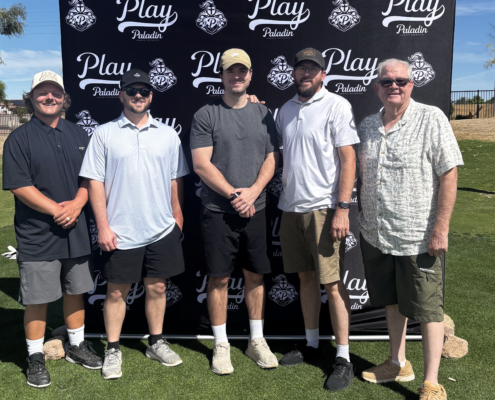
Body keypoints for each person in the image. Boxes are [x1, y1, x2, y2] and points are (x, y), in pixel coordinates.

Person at [357, 59, 463, 400]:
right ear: (377, 87)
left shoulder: (431, 118)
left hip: (417, 235)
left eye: (401, 80)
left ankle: (431, 382)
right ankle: (398, 363)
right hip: (376, 233)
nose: (394, 86)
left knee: (429, 310)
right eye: (387, 81)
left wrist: (441, 228)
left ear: (411, 84)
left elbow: (449, 173)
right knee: (391, 302)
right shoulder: (367, 125)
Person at [79, 69, 189, 380]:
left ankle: (156, 342)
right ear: (121, 95)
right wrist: (103, 226)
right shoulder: (104, 134)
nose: (137, 95)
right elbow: (94, 182)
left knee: (157, 287)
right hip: (120, 231)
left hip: (161, 229)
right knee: (116, 293)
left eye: (143, 91)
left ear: (151, 96)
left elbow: (175, 180)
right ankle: (113, 349)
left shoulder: (167, 134)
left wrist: (177, 218)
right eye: (131, 90)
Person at [2, 70, 102, 388]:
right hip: (37, 234)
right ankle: (35, 356)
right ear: (31, 98)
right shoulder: (19, 138)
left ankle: (77, 345)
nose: (49, 97)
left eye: (55, 92)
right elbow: (19, 185)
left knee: (75, 291)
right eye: (42, 92)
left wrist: (77, 204)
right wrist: (58, 209)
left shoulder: (78, 134)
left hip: (76, 231)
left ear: (64, 98)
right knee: (38, 297)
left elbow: (91, 178)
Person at [275, 48, 360, 392]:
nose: (306, 73)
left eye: (313, 68)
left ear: (323, 74)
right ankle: (312, 344)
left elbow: (348, 158)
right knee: (306, 279)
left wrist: (343, 208)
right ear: (293, 73)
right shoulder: (284, 110)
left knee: (333, 284)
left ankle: (343, 357)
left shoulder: (336, 105)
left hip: (324, 208)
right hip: (290, 208)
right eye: (301, 68)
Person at [190, 49, 279, 375]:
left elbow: (272, 158)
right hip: (218, 210)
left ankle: (256, 340)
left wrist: (253, 192)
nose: (236, 76)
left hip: (257, 208)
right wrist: (234, 195)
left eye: (242, 71)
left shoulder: (264, 113)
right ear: (222, 75)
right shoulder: (206, 114)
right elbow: (201, 164)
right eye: (230, 71)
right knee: (219, 278)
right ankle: (221, 344)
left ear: (251, 75)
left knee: (255, 275)